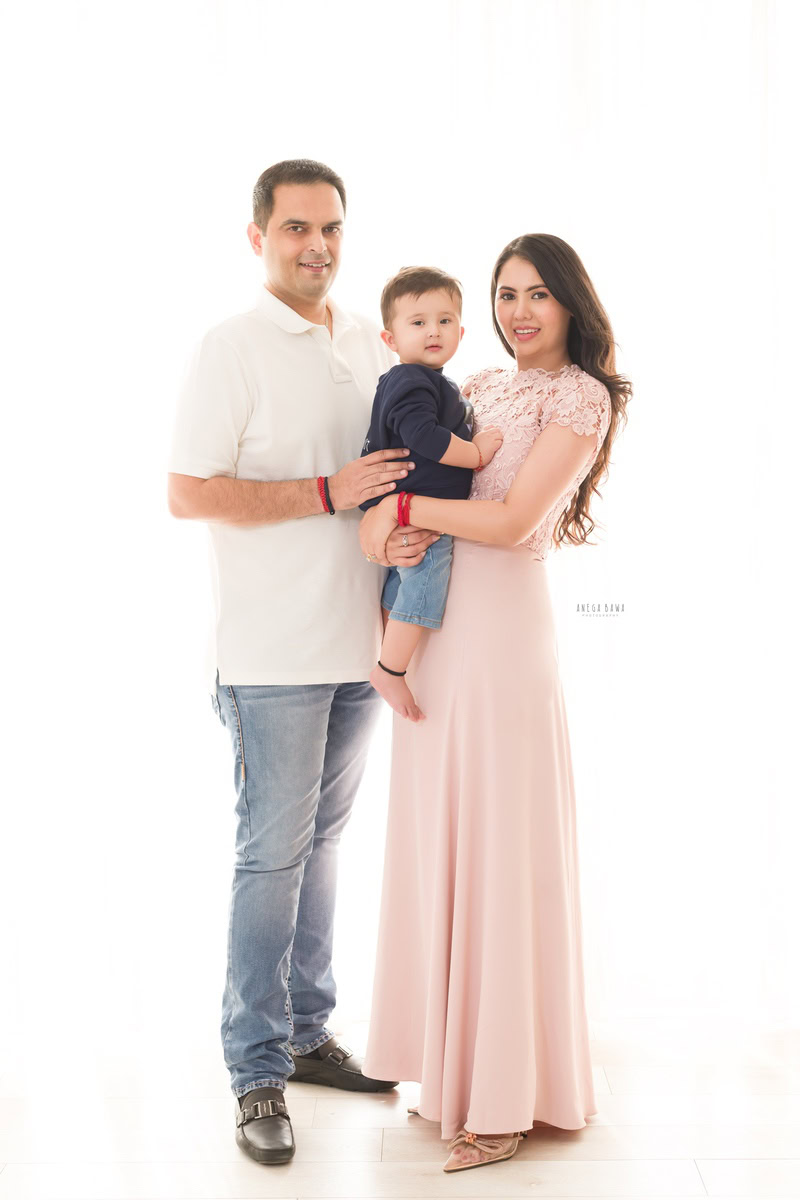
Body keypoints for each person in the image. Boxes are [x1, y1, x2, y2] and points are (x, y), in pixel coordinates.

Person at [167, 159, 441, 1167]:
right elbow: (189, 491)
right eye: (294, 229)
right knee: (269, 857)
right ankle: (254, 1073)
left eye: (329, 228)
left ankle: (309, 1033)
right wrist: (327, 490)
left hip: (356, 650)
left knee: (322, 850)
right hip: (270, 655)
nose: (315, 246)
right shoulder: (229, 348)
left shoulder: (370, 341)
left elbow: (396, 474)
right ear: (257, 238)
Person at [358, 233, 632, 1174]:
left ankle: (510, 1093)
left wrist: (403, 515)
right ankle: (453, 1070)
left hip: (506, 634)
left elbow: (515, 524)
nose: (520, 312)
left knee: (503, 844)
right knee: (443, 836)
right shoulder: (474, 379)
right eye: (507, 294)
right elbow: (406, 478)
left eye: (539, 295)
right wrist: (380, 531)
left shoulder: (581, 397)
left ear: (570, 306)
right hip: (437, 631)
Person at [359, 265, 504, 722]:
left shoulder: (430, 382)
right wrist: (475, 454)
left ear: (461, 330)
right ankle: (390, 668)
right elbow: (422, 436)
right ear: (391, 338)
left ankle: (391, 653)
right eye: (417, 322)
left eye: (444, 321)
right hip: (424, 511)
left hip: (415, 506)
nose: (433, 331)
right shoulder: (411, 380)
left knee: (402, 583)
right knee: (426, 580)